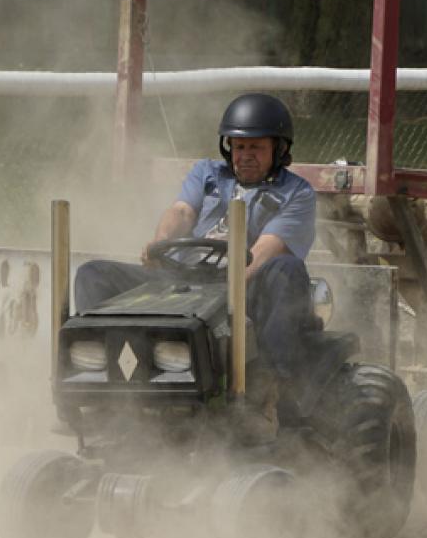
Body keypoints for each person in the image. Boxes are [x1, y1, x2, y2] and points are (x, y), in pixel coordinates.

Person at [74, 93, 317, 443]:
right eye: (239, 146)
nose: (245, 155)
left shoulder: (297, 194)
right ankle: (102, 382)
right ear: (227, 146)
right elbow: (182, 212)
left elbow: (266, 250)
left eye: (256, 148)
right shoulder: (208, 174)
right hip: (182, 279)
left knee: (287, 269)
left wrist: (232, 279)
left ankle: (265, 392)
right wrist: (160, 242)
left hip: (247, 286)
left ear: (279, 150)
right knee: (93, 274)